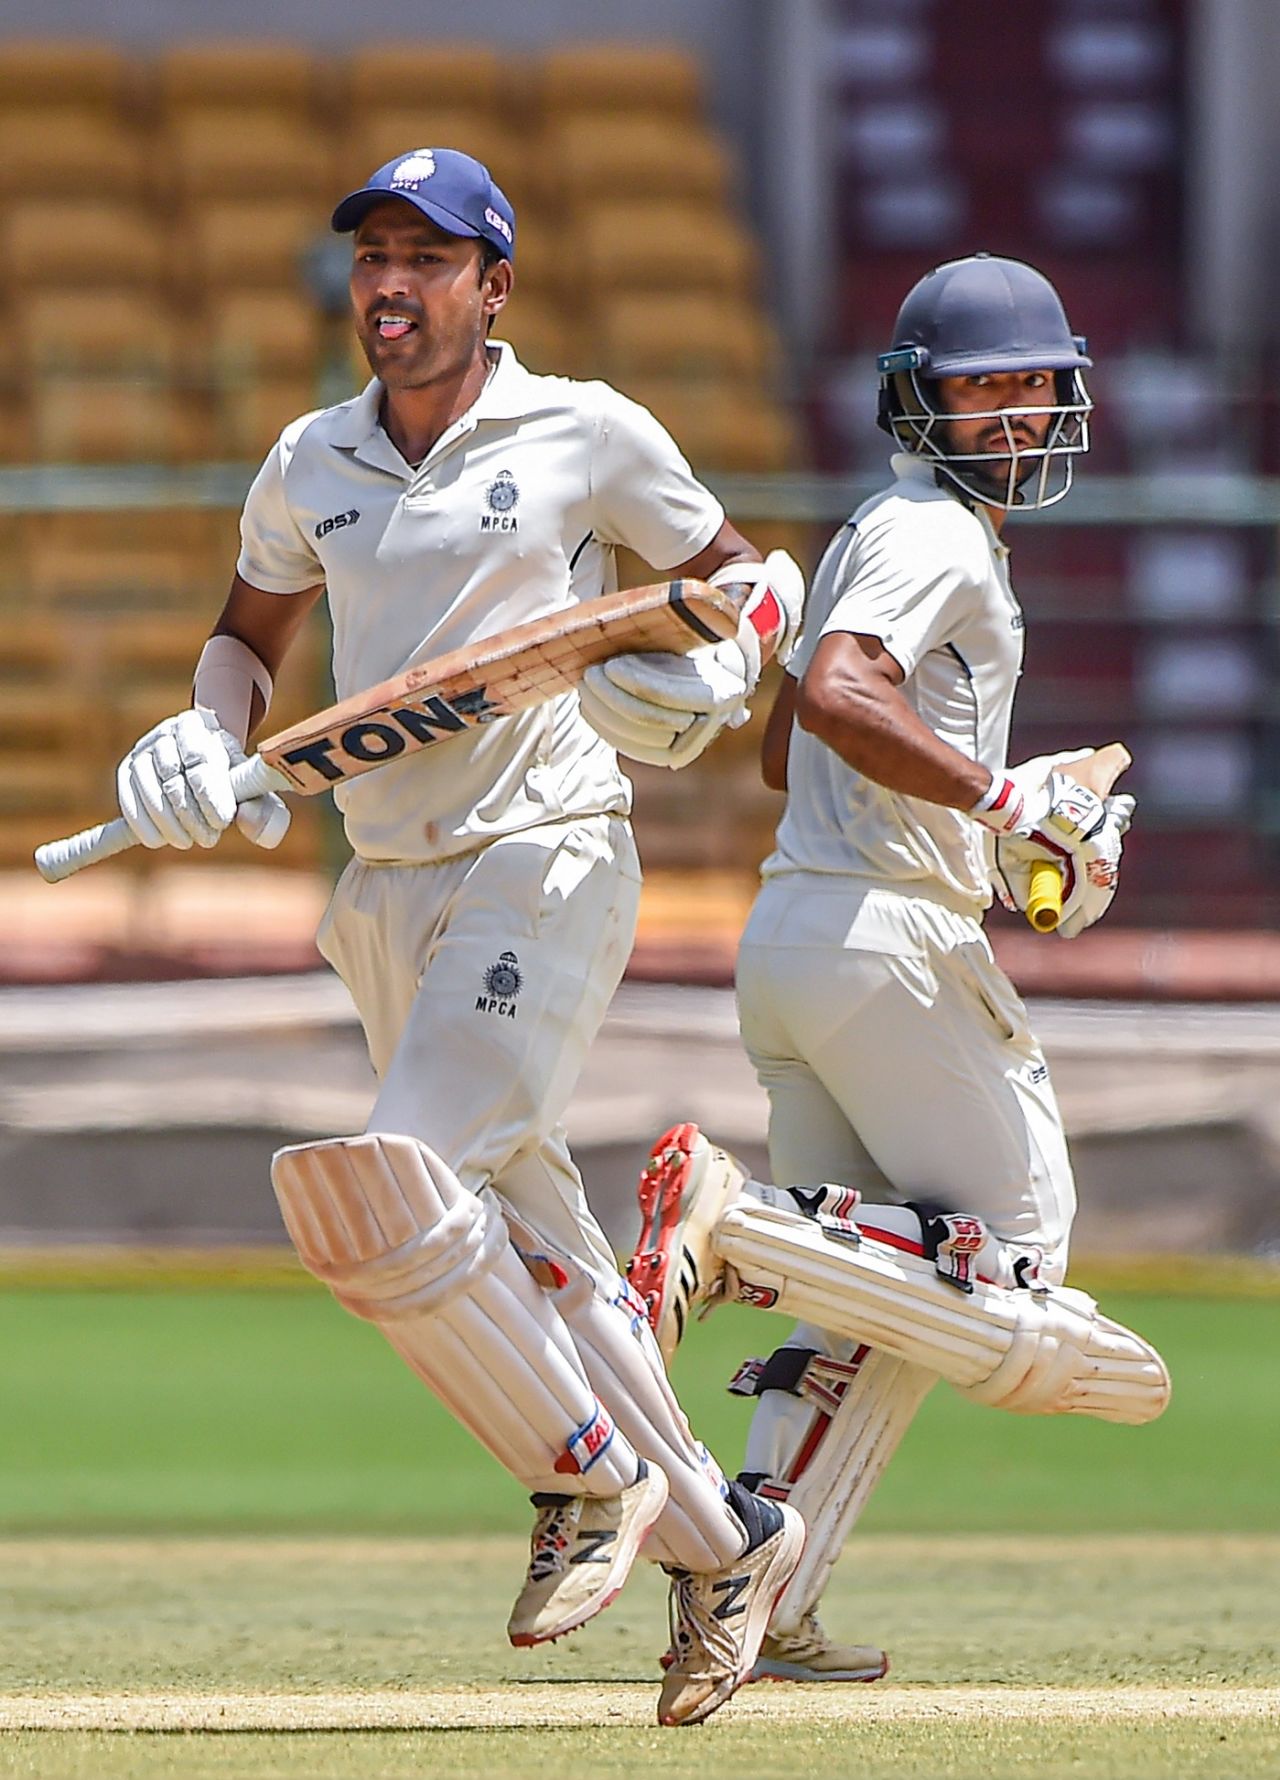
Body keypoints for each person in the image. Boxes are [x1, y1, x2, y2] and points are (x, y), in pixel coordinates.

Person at [112, 146, 808, 1730]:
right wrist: (204, 736)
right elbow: (245, 639)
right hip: (387, 884)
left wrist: (713, 675)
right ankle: (728, 1542)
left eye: (430, 258)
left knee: (386, 1191)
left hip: (546, 856)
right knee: (548, 1257)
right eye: (373, 255)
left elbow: (740, 588)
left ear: (495, 286)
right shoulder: (312, 459)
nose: (393, 284)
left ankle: (579, 1480)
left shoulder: (587, 431)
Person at [622, 253, 1169, 1682]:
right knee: (1020, 1245)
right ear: (916, 403)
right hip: (881, 938)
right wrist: (999, 805)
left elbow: (788, 739)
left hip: (805, 934)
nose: (1015, 410)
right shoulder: (933, 533)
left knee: (869, 1299)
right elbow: (844, 694)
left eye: (1034, 384)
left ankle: (752, 1585)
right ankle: (727, 1221)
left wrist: (1015, 836)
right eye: (980, 385)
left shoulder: (890, 530)